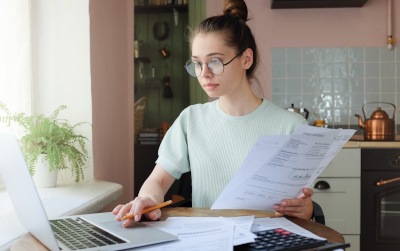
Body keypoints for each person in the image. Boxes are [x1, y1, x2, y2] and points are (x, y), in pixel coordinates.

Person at [113, 0, 314, 227]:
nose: (204, 73)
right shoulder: (191, 120)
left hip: (268, 240)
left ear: (246, 59)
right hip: (208, 240)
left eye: (215, 61)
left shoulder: (292, 126)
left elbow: (300, 211)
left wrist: (305, 209)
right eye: (197, 64)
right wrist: (148, 198)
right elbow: (158, 180)